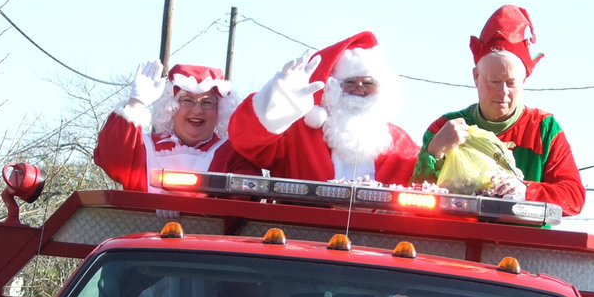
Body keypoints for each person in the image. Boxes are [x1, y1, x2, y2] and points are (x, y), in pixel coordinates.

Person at [412, 5, 585, 216]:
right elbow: (415, 197)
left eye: (511, 83)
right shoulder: (443, 127)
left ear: (524, 81)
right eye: (494, 82)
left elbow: (574, 197)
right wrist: (434, 152)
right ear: (476, 77)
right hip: (456, 239)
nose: (502, 92)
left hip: (522, 243)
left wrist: (526, 190)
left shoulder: (544, 129)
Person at [228, 31, 420, 184]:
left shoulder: (400, 143)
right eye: (350, 82)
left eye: (369, 83)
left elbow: (424, 178)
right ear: (333, 87)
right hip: (300, 230)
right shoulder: (299, 133)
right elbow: (247, 142)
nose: (359, 90)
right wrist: (277, 103)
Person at [93, 61, 259, 197]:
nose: (197, 110)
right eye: (187, 100)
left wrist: (188, 203)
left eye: (207, 102)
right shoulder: (144, 148)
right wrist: (135, 103)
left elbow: (245, 200)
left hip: (203, 237)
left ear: (220, 110)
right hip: (144, 235)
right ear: (170, 107)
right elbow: (110, 158)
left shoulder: (232, 154)